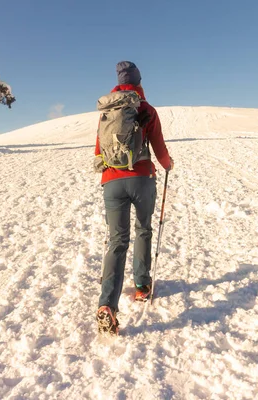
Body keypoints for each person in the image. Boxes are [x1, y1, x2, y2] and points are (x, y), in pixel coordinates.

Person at [95, 61, 173, 334]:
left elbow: (99, 147)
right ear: (139, 83)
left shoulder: (108, 110)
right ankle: (142, 286)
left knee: (117, 240)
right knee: (143, 230)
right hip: (141, 179)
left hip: (112, 182)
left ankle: (107, 305)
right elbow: (159, 145)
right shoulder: (146, 109)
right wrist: (167, 163)